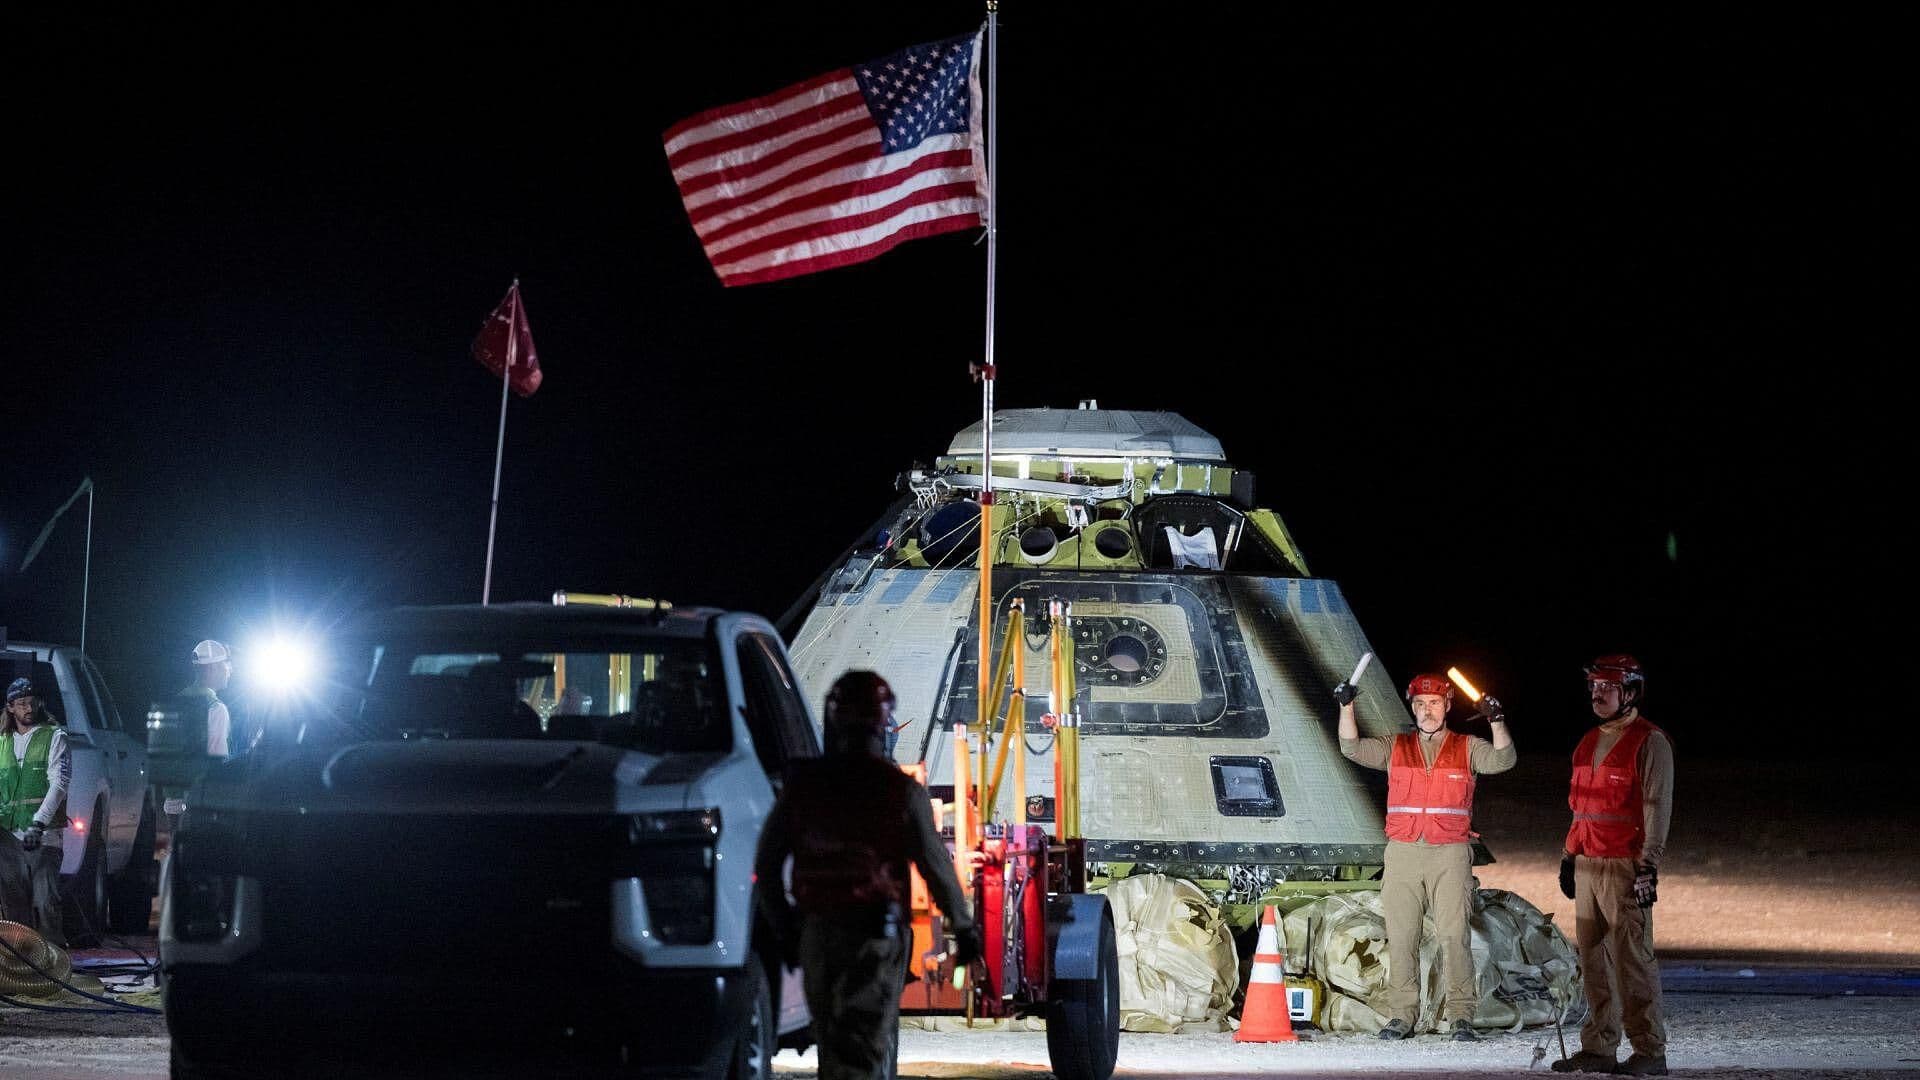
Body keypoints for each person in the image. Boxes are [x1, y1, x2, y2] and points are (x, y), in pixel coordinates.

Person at [754, 670, 982, 1080]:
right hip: (872, 943)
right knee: (860, 1053)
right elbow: (935, 867)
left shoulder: (803, 788)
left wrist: (786, 931)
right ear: (883, 724)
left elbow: (767, 865)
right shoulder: (900, 792)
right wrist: (964, 929)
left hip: (817, 938)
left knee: (832, 1046)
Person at [1337, 669, 1515, 1041]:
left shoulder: (1467, 747)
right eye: (1420, 703)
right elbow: (1351, 748)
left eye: (1434, 703)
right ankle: (1402, 1016)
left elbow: (1503, 760)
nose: (1427, 710)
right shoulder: (1395, 746)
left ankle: (1461, 1015)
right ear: (1413, 707)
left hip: (1449, 854)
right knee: (1401, 937)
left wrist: (1497, 720)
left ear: (1447, 705)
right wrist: (1347, 707)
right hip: (1402, 853)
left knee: (1454, 936)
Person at [1552, 655, 1673, 1077]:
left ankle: (1649, 1050)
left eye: (1607, 686)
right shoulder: (1587, 741)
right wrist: (1569, 856)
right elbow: (1579, 809)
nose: (1597, 693)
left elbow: (1657, 808)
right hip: (1587, 864)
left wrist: (1648, 866)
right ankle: (1599, 1046)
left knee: (1632, 959)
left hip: (1625, 865)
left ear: (1631, 692)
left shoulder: (1649, 741)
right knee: (1593, 959)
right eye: (1594, 686)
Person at [0, 677, 71, 946]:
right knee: (13, 912)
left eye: (32, 703)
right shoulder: (2, 741)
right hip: (7, 837)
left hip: (43, 838)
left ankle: (54, 967)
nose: (28, 709)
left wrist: (38, 824)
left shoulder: (54, 737)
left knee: (46, 904)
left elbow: (59, 783)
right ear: (10, 708)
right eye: (21, 704)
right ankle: (24, 970)